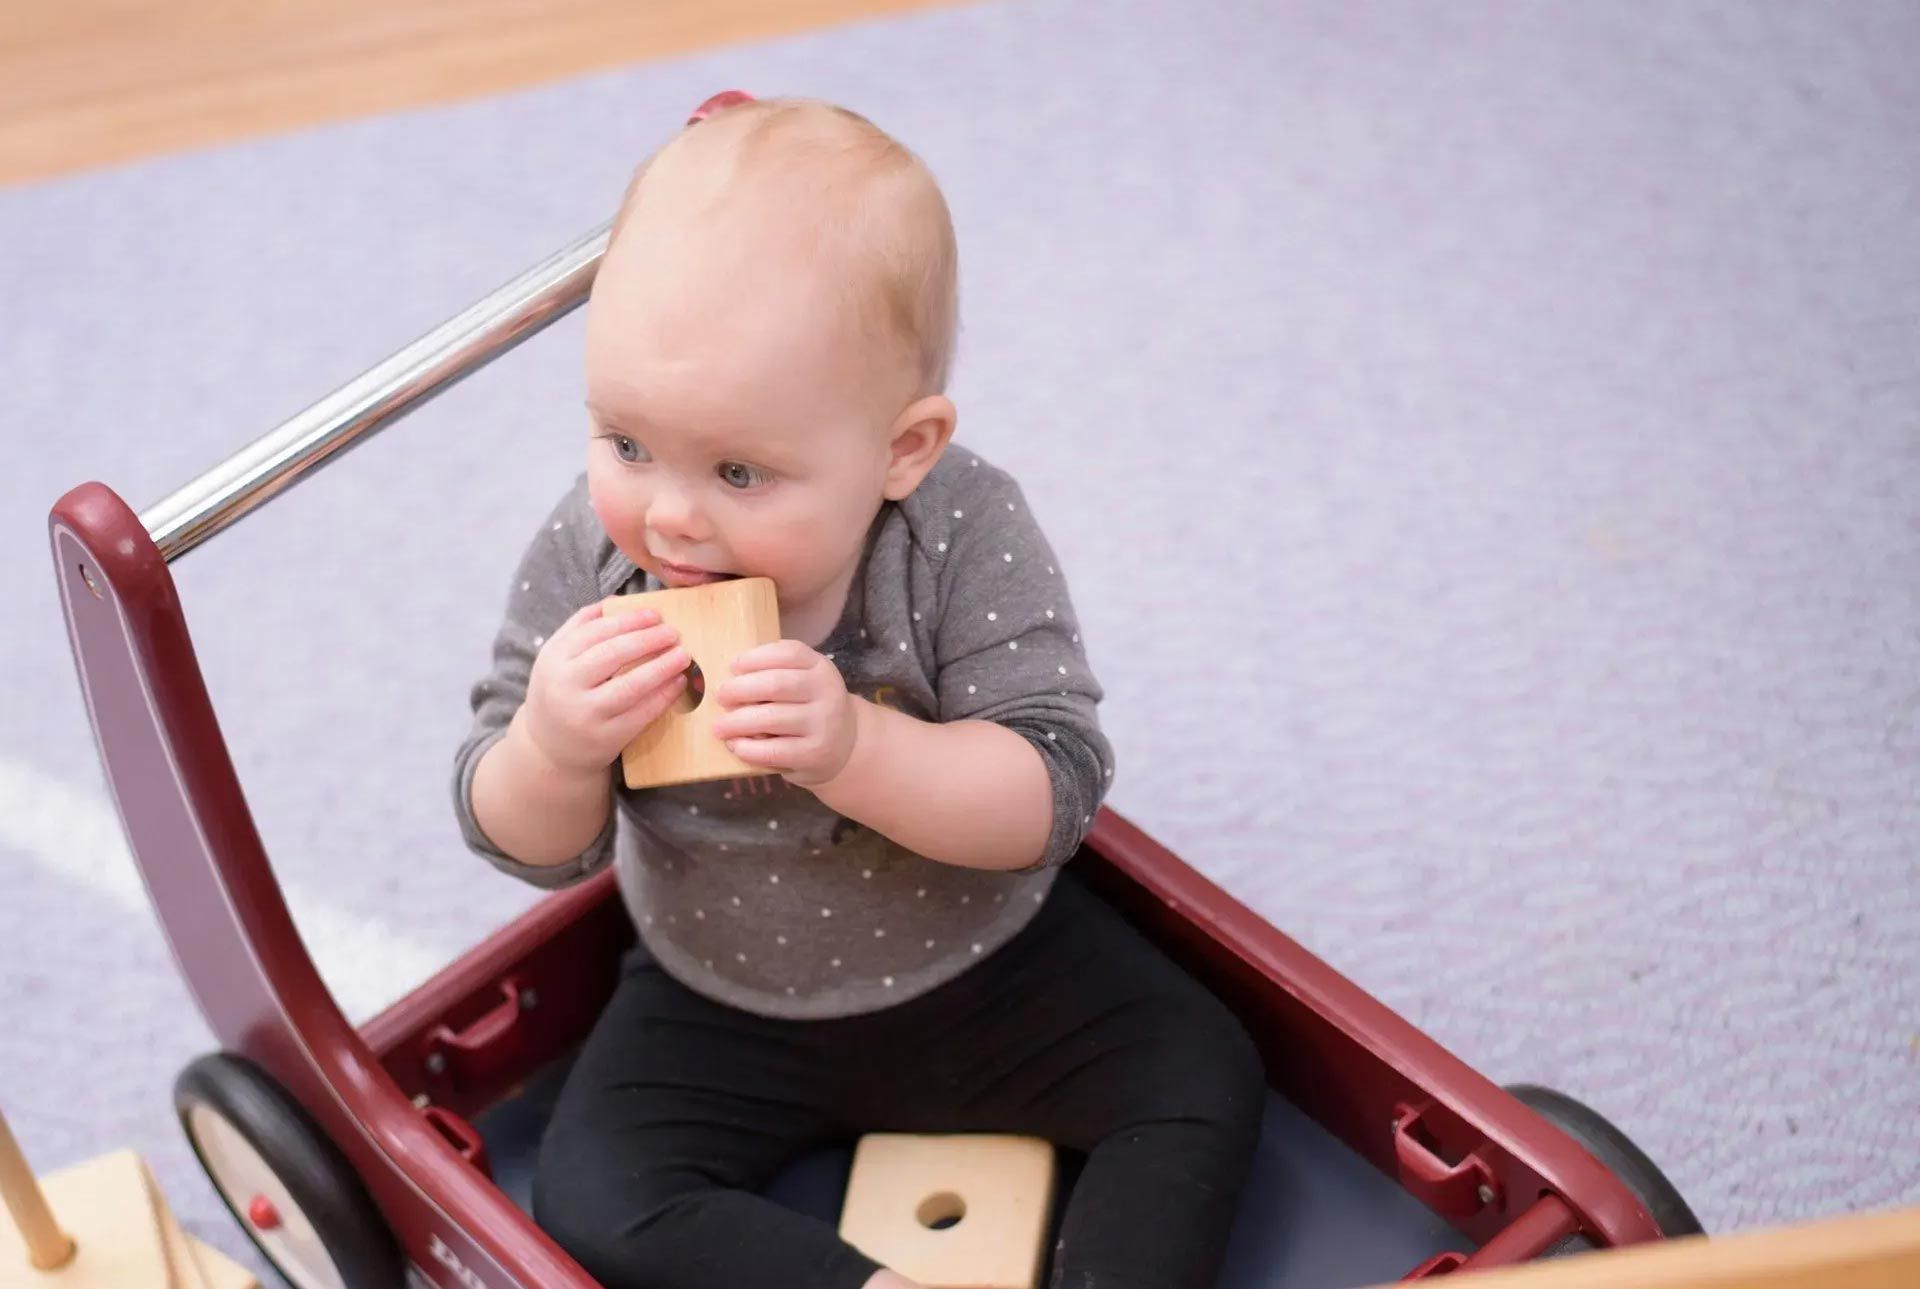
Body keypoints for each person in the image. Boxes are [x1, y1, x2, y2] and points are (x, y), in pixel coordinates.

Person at [453, 95, 1264, 1289]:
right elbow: (520, 837)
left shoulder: (957, 535)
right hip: (717, 994)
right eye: (626, 442)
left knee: (1204, 1071)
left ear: (903, 448)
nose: (670, 513)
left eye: (739, 470)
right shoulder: (595, 556)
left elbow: (1052, 794)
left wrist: (857, 750)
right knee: (591, 1197)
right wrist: (556, 744)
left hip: (987, 958)